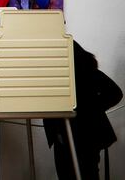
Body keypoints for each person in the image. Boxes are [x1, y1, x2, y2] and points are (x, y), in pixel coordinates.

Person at [43, 41, 122, 180]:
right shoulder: (63, 73)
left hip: (85, 137)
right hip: (65, 137)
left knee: (84, 174)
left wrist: (88, 110)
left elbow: (115, 93)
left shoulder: (84, 71)